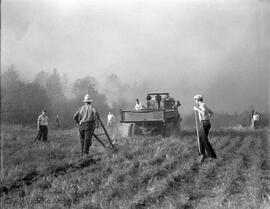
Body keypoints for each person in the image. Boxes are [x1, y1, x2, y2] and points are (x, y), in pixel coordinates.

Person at [193, 94, 217, 162]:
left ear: (198, 100)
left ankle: (212, 156)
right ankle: (202, 155)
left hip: (205, 124)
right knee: (200, 139)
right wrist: (207, 118)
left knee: (204, 140)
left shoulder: (202, 105)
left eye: (195, 100)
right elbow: (211, 113)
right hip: (205, 123)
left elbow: (203, 113)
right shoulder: (204, 105)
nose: (195, 101)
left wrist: (197, 109)